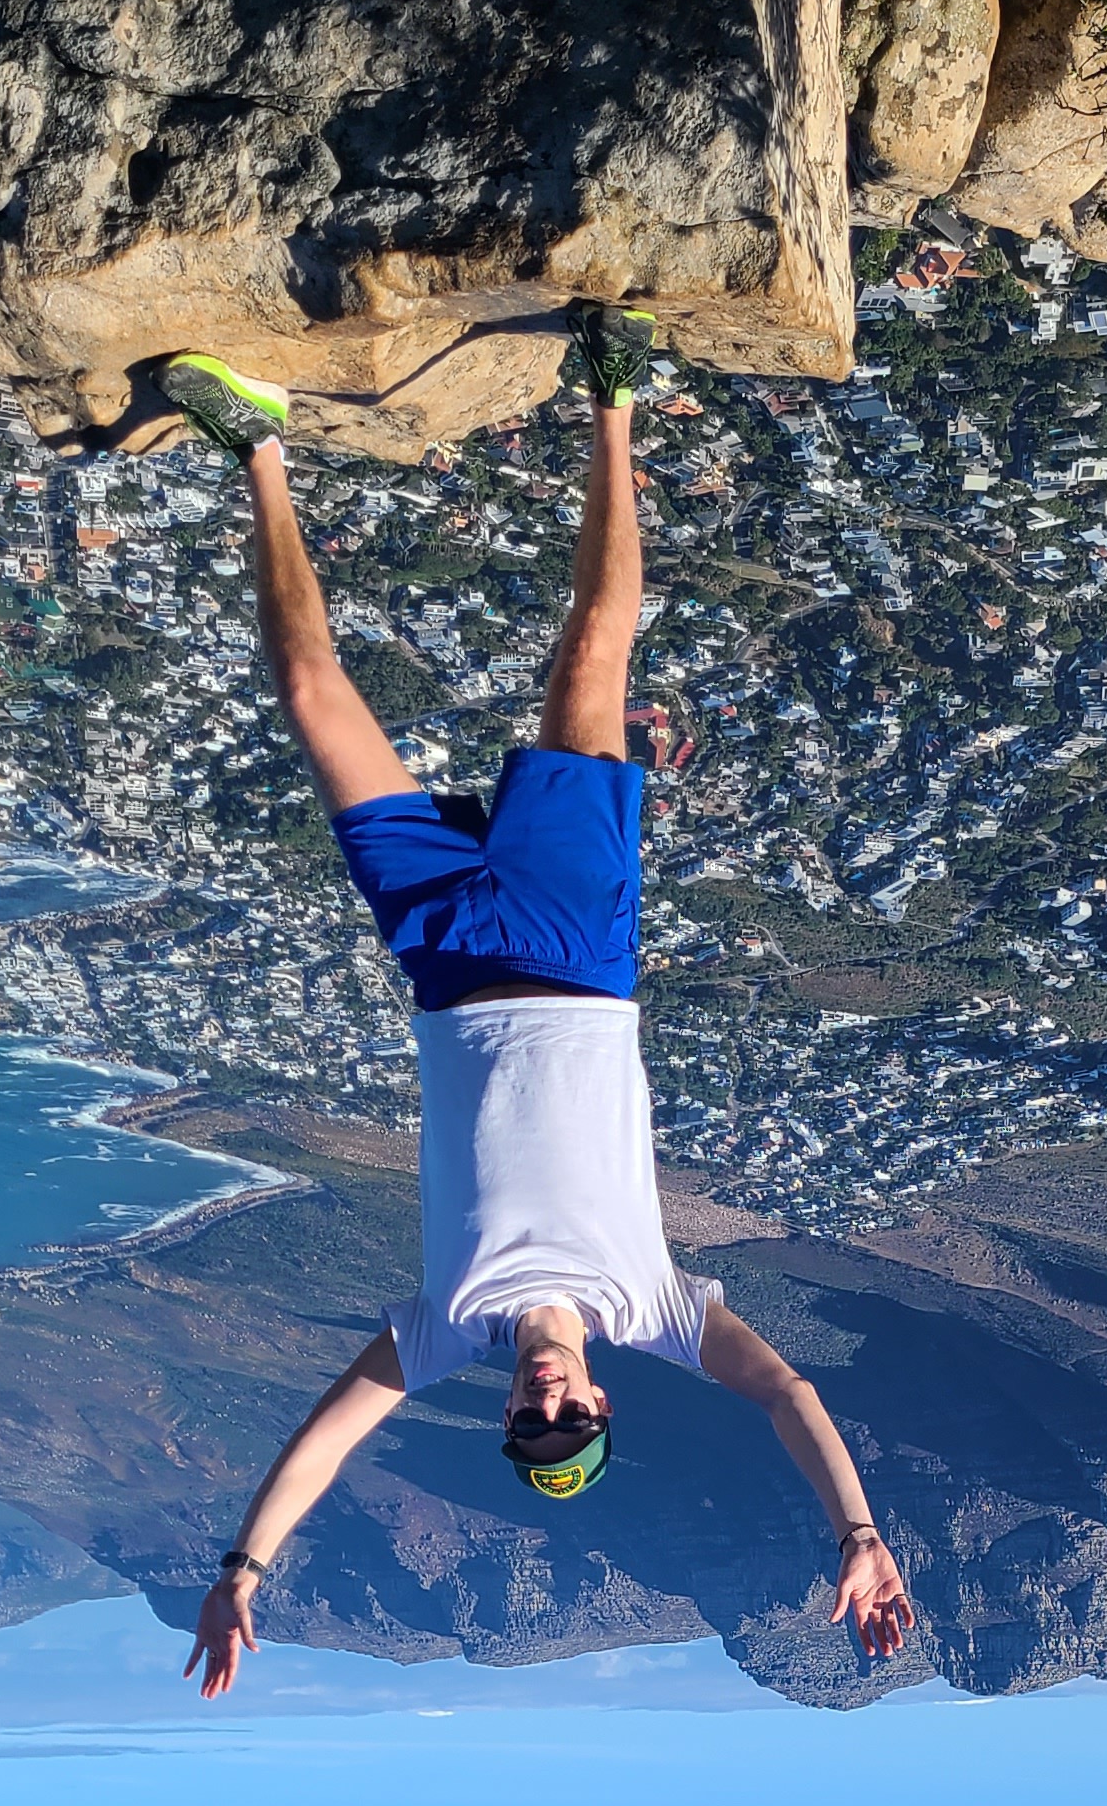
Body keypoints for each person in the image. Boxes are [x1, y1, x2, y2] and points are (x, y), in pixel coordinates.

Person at [133, 305, 916, 1704]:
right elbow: (787, 1396)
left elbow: (329, 1437)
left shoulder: (447, 1326)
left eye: (529, 1428)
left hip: (442, 962)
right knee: (589, 662)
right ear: (601, 1402)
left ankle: (257, 444)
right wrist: (856, 1533)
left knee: (309, 691)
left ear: (505, 1414)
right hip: (575, 955)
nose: (546, 1406)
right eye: (570, 1422)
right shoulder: (656, 1308)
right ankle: (614, 398)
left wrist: (245, 1568)